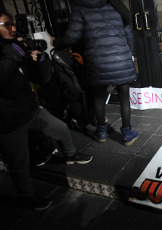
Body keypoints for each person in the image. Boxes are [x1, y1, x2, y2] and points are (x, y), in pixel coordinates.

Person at [0, 11, 93, 211]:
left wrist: (39, 58)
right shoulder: (8, 53)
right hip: (8, 121)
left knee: (60, 128)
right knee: (19, 162)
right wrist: (14, 55)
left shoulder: (14, 48)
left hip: (29, 110)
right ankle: (28, 197)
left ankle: (70, 155)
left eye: (13, 24)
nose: (13, 28)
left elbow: (40, 78)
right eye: (7, 25)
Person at [50, 0, 138, 146]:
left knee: (98, 97)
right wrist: (126, 53)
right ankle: (127, 134)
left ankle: (101, 132)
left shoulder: (79, 7)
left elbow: (72, 37)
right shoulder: (116, 5)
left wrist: (55, 42)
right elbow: (128, 34)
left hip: (98, 61)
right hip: (122, 58)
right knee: (124, 98)